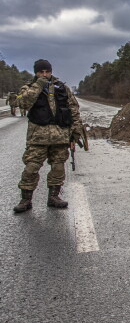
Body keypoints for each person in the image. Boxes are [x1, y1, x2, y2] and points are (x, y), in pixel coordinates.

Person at [13, 59, 83, 213]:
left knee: (58, 168)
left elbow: (73, 109)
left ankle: (54, 197)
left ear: (51, 71)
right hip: (38, 138)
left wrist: (76, 131)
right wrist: (38, 85)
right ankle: (26, 200)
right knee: (31, 168)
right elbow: (23, 104)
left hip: (60, 136)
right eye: (41, 72)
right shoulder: (29, 87)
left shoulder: (62, 88)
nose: (44, 74)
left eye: (47, 71)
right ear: (36, 73)